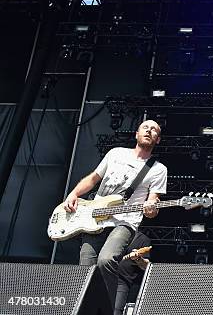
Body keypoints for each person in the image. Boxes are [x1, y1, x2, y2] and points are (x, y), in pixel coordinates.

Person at [63, 120, 167, 309]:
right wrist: (74, 193)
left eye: (154, 130)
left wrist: (151, 209)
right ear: (136, 134)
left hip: (125, 222)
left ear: (157, 139)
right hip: (95, 219)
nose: (149, 130)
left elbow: (152, 204)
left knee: (106, 259)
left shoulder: (159, 169)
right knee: (86, 267)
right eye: (146, 127)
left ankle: (107, 309)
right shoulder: (115, 153)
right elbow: (94, 178)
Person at [114, 231, 151, 315]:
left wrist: (138, 259)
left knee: (116, 310)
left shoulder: (143, 239)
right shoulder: (111, 234)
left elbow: (146, 266)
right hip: (104, 277)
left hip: (122, 281)